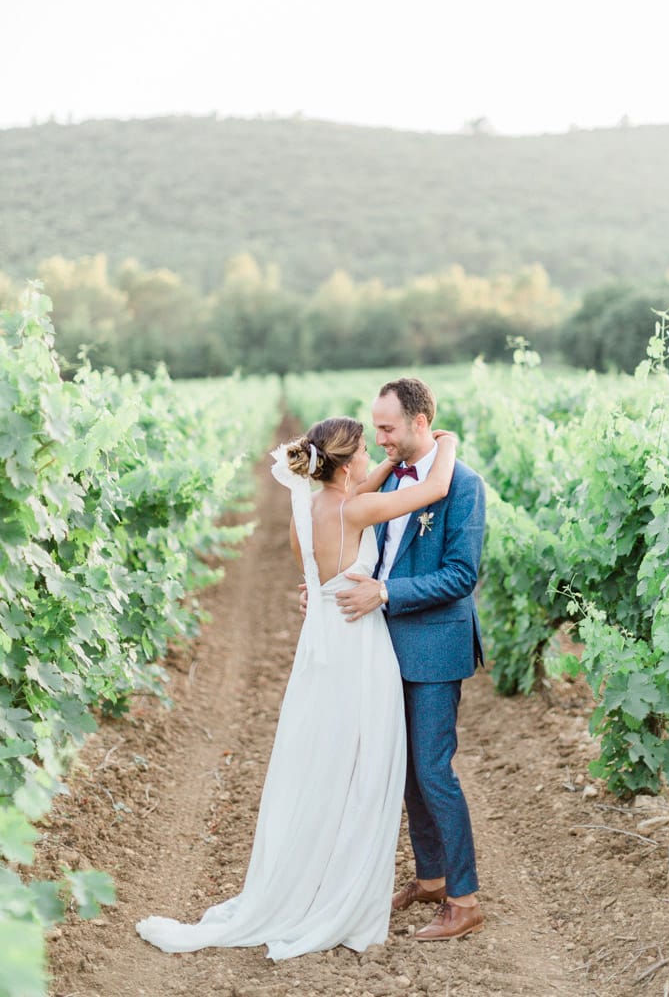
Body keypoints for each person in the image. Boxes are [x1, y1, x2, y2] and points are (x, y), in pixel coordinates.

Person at [135, 415, 458, 961]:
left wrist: (378, 466)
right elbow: (436, 487)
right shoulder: (356, 508)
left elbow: (325, 562)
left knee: (322, 761)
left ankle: (308, 878)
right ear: (349, 460)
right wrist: (444, 441)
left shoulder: (307, 512)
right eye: (366, 451)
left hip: (320, 648)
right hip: (359, 648)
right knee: (364, 766)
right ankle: (341, 892)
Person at [335, 378, 485, 942]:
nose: (379, 438)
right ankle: (431, 877)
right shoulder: (392, 480)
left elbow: (461, 575)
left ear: (422, 423)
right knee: (404, 772)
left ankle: (465, 899)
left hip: (435, 647)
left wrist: (386, 593)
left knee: (433, 771)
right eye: (375, 427)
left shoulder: (463, 485)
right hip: (384, 646)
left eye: (388, 428)